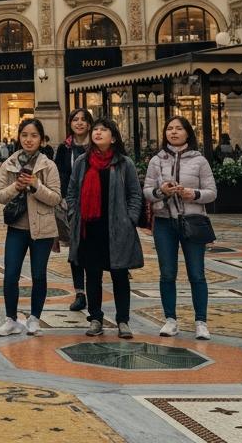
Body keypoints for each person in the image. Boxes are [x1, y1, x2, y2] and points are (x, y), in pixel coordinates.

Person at [65, 118, 143, 338]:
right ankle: (95, 318)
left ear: (113, 137)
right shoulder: (82, 161)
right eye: (96, 129)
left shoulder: (124, 163)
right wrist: (74, 214)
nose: (98, 132)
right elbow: (71, 192)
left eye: (104, 130)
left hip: (117, 228)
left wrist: (129, 220)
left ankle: (123, 320)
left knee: (120, 275)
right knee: (92, 275)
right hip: (89, 229)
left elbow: (135, 194)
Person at [144, 116, 216, 341]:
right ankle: (170, 320)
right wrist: (161, 191)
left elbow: (212, 192)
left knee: (197, 273)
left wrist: (193, 194)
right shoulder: (157, 160)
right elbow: (147, 190)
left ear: (187, 133)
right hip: (164, 222)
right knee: (167, 273)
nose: (173, 132)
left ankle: (201, 321)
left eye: (178, 128)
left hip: (192, 221)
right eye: (169, 129)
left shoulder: (199, 160)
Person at [0, 117, 61, 336]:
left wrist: (35, 185)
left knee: (38, 274)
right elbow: (0, 196)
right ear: (18, 138)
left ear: (41, 139)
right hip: (17, 228)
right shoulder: (9, 164)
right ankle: (10, 319)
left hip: (42, 228)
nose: (29, 139)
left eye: (34, 135)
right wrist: (16, 186)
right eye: (24, 135)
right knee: (11, 273)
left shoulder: (48, 165)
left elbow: (56, 198)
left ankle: (34, 318)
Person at [57, 108, 93, 311]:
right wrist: (64, 198)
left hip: (95, 203)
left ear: (89, 124)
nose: (79, 123)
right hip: (73, 205)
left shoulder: (97, 145)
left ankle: (94, 290)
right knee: (75, 248)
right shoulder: (65, 148)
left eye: (83, 120)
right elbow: (60, 173)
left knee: (93, 248)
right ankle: (80, 293)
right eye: (75, 119)